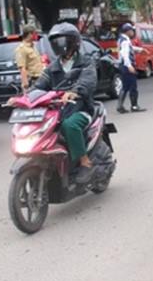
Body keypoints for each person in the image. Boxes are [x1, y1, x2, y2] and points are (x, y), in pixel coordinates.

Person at [33, 23, 98, 184]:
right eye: (56, 41)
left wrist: (75, 91)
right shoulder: (52, 68)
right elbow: (39, 85)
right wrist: (24, 98)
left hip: (81, 109)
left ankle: (85, 162)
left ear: (74, 42)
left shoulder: (86, 63)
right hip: (57, 111)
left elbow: (87, 81)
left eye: (62, 40)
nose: (59, 45)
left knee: (69, 125)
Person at [117, 23, 147, 113]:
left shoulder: (122, 39)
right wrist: (129, 66)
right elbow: (125, 54)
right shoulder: (125, 41)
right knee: (133, 86)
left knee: (125, 87)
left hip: (123, 66)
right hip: (127, 66)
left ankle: (120, 106)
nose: (133, 32)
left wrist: (140, 49)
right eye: (132, 31)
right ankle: (134, 106)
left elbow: (129, 48)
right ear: (128, 31)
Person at [14, 25, 44, 92]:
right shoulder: (22, 49)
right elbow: (22, 68)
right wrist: (25, 84)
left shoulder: (33, 46)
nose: (36, 35)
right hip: (32, 81)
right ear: (30, 34)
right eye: (35, 33)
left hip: (39, 79)